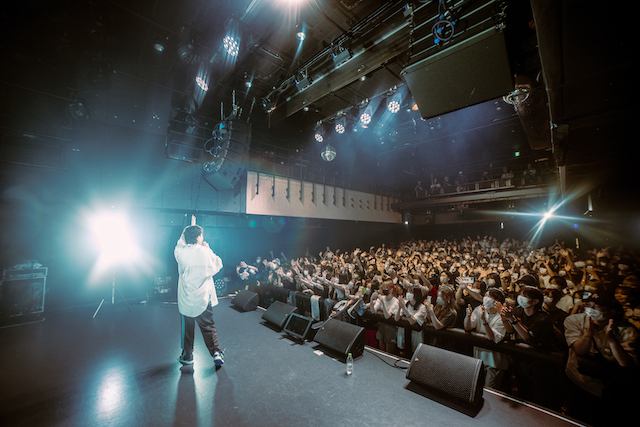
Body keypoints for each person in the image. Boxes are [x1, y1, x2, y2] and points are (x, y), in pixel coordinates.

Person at [563, 292, 638, 424]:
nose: (591, 309)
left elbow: (625, 363)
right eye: (588, 305)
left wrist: (612, 339)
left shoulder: (627, 331)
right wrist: (588, 335)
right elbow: (580, 350)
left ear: (612, 311)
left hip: (611, 388)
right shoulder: (574, 321)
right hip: (580, 381)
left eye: (597, 307)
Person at [175, 215, 225, 367]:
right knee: (208, 326)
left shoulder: (180, 252)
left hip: (186, 298)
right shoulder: (205, 252)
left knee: (187, 327)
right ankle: (216, 352)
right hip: (203, 298)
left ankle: (187, 355)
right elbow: (218, 264)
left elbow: (180, 241)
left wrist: (191, 227)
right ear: (198, 237)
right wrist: (209, 249)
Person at [464, 288, 509, 389]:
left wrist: (484, 320)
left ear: (497, 302)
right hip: (479, 358)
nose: (486, 299)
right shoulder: (480, 309)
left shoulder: (501, 316)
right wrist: (468, 316)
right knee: (476, 388)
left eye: (489, 297)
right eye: (486, 296)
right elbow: (468, 327)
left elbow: (492, 337)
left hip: (494, 362)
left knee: (489, 391)